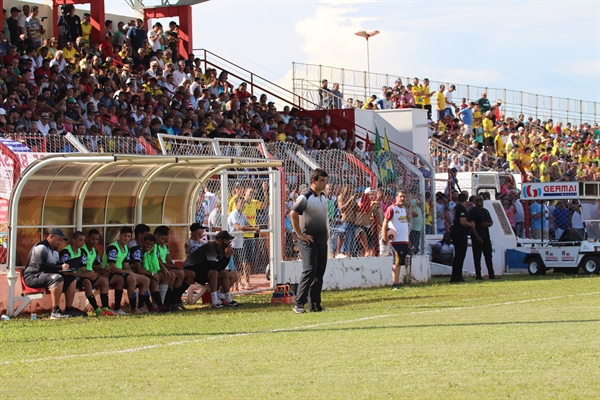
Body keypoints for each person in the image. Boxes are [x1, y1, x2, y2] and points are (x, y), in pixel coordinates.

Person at [290, 168, 329, 313]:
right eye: (322, 180)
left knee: (319, 272)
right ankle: (299, 303)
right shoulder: (305, 196)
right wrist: (300, 234)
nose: (325, 183)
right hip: (308, 239)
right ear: (314, 181)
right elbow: (293, 214)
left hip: (321, 239)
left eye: (325, 180)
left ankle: (315, 305)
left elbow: (322, 217)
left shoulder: (323, 197)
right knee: (310, 270)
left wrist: (326, 232)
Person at [23, 228, 79, 319]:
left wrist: (64, 271)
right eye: (59, 240)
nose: (60, 243)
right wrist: (60, 268)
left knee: (72, 279)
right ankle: (55, 311)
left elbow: (53, 267)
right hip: (33, 276)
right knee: (57, 278)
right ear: (51, 237)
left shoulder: (55, 252)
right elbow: (41, 266)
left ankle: (69, 308)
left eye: (61, 241)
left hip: (46, 276)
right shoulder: (41, 247)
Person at [59, 231, 114, 316]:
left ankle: (105, 308)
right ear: (73, 240)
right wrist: (86, 275)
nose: (82, 243)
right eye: (80, 240)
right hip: (67, 278)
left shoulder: (81, 252)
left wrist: (95, 273)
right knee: (86, 282)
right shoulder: (65, 252)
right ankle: (97, 309)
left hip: (79, 277)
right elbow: (67, 273)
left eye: (83, 240)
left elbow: (83, 269)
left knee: (103, 279)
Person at [182, 230, 242, 308]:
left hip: (204, 268)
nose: (229, 242)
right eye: (227, 240)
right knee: (214, 273)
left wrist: (227, 256)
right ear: (220, 240)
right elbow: (213, 267)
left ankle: (228, 299)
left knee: (225, 273)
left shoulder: (221, 249)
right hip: (193, 268)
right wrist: (225, 256)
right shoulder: (211, 247)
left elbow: (221, 267)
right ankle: (214, 302)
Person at [102, 226, 150, 315]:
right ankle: (133, 308)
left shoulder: (126, 249)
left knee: (145, 280)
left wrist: (131, 272)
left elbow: (126, 266)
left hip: (121, 273)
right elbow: (113, 268)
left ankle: (140, 307)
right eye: (124, 236)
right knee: (131, 279)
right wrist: (129, 273)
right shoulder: (113, 248)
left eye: (128, 236)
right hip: (109, 273)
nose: (126, 238)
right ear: (120, 236)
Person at [130, 233, 170, 313]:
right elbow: (138, 269)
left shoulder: (151, 250)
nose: (148, 246)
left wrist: (164, 269)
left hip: (144, 272)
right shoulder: (137, 251)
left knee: (166, 276)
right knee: (148, 279)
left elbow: (157, 260)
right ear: (142, 242)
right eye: (147, 243)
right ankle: (150, 306)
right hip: (132, 272)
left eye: (151, 245)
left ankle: (159, 304)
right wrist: (152, 274)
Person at [381, 191, 412, 290]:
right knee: (396, 262)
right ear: (396, 197)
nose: (402, 199)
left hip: (404, 240)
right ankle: (394, 284)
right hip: (396, 240)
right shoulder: (392, 208)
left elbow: (404, 225)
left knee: (399, 263)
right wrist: (384, 236)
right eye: (401, 196)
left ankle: (397, 283)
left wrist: (408, 239)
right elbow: (385, 222)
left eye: (404, 197)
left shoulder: (404, 210)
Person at [228, 196, 260, 290]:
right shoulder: (234, 214)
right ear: (236, 204)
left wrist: (254, 227)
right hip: (232, 243)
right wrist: (253, 228)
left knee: (243, 263)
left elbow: (246, 224)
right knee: (234, 265)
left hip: (240, 243)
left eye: (243, 204)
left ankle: (241, 283)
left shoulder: (243, 214)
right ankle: (235, 286)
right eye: (241, 203)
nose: (242, 205)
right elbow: (239, 228)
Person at [450, 193, 476, 283]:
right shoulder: (461, 208)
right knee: (460, 255)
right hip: (460, 233)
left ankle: (455, 276)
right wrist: (471, 225)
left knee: (457, 256)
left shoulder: (456, 208)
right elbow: (463, 222)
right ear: (466, 200)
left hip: (455, 232)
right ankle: (458, 276)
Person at [469, 195, 496, 280]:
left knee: (488, 256)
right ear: (474, 201)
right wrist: (477, 237)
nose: (479, 201)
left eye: (481, 200)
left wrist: (489, 224)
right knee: (477, 257)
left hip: (486, 236)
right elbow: (472, 226)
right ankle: (478, 275)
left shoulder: (485, 211)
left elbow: (491, 221)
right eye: (477, 200)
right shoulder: (472, 212)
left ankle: (491, 274)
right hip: (477, 237)